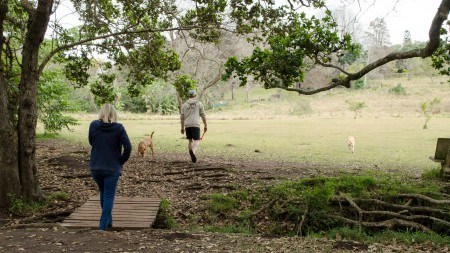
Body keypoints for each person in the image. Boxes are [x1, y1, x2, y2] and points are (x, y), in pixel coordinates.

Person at [88, 103, 132, 231]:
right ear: (114, 114)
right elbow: (128, 147)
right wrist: (120, 161)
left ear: (101, 113)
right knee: (108, 195)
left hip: (96, 167)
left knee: (103, 192)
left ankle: (108, 222)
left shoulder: (93, 125)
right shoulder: (119, 128)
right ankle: (102, 227)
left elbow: (91, 141)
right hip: (112, 168)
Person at [180, 89, 207, 163]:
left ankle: (190, 151)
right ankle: (193, 152)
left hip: (187, 125)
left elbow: (182, 118)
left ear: (189, 96)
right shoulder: (199, 104)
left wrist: (182, 128)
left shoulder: (184, 105)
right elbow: (203, 116)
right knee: (197, 141)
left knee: (190, 140)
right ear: (195, 95)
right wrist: (205, 125)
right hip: (195, 124)